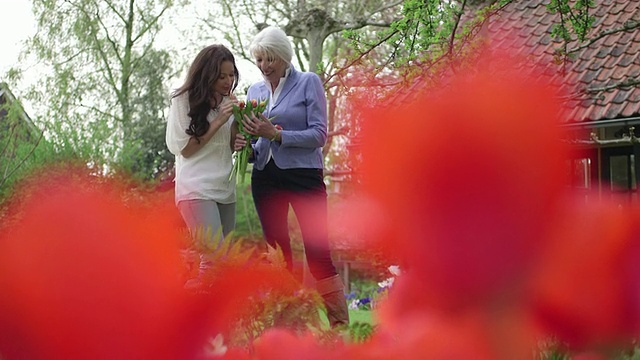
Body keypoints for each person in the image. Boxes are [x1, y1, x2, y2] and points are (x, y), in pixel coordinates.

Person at [234, 26, 349, 327]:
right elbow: (257, 139)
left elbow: (319, 135)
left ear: (284, 55)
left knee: (317, 251)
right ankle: (290, 328)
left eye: (270, 59)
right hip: (265, 177)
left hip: (304, 176)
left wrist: (277, 135)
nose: (264, 66)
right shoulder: (255, 91)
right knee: (278, 254)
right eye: (259, 60)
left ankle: (338, 327)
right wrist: (246, 146)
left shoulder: (308, 83)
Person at [165, 44, 239, 250]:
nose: (228, 81)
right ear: (207, 74)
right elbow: (185, 149)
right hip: (196, 188)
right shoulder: (183, 100)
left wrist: (238, 126)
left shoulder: (228, 102)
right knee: (215, 260)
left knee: (227, 263)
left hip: (225, 188)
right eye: (221, 76)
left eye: (231, 75)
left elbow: (228, 147)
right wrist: (220, 120)